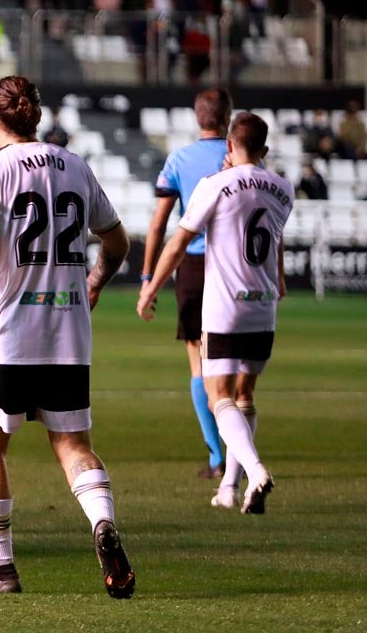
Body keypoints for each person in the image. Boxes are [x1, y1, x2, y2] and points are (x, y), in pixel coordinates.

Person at [0, 75, 135, 597]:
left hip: (8, 333)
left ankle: (3, 570)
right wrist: (94, 283)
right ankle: (100, 521)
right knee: (74, 445)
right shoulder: (74, 165)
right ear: (35, 115)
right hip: (68, 335)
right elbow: (117, 241)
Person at [137, 112, 292, 514]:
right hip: (264, 307)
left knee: (217, 394)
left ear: (228, 145)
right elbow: (274, 240)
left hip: (225, 307)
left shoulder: (214, 185)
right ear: (265, 149)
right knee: (245, 395)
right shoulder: (283, 189)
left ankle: (255, 471)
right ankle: (228, 486)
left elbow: (177, 243)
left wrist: (150, 287)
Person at [142, 88, 231, 479]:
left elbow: (160, 222)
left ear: (198, 119)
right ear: (228, 116)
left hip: (193, 267)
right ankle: (238, 446)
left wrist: (148, 277)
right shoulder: (239, 154)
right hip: (234, 268)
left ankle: (217, 457)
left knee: (198, 359)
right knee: (233, 362)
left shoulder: (179, 159)